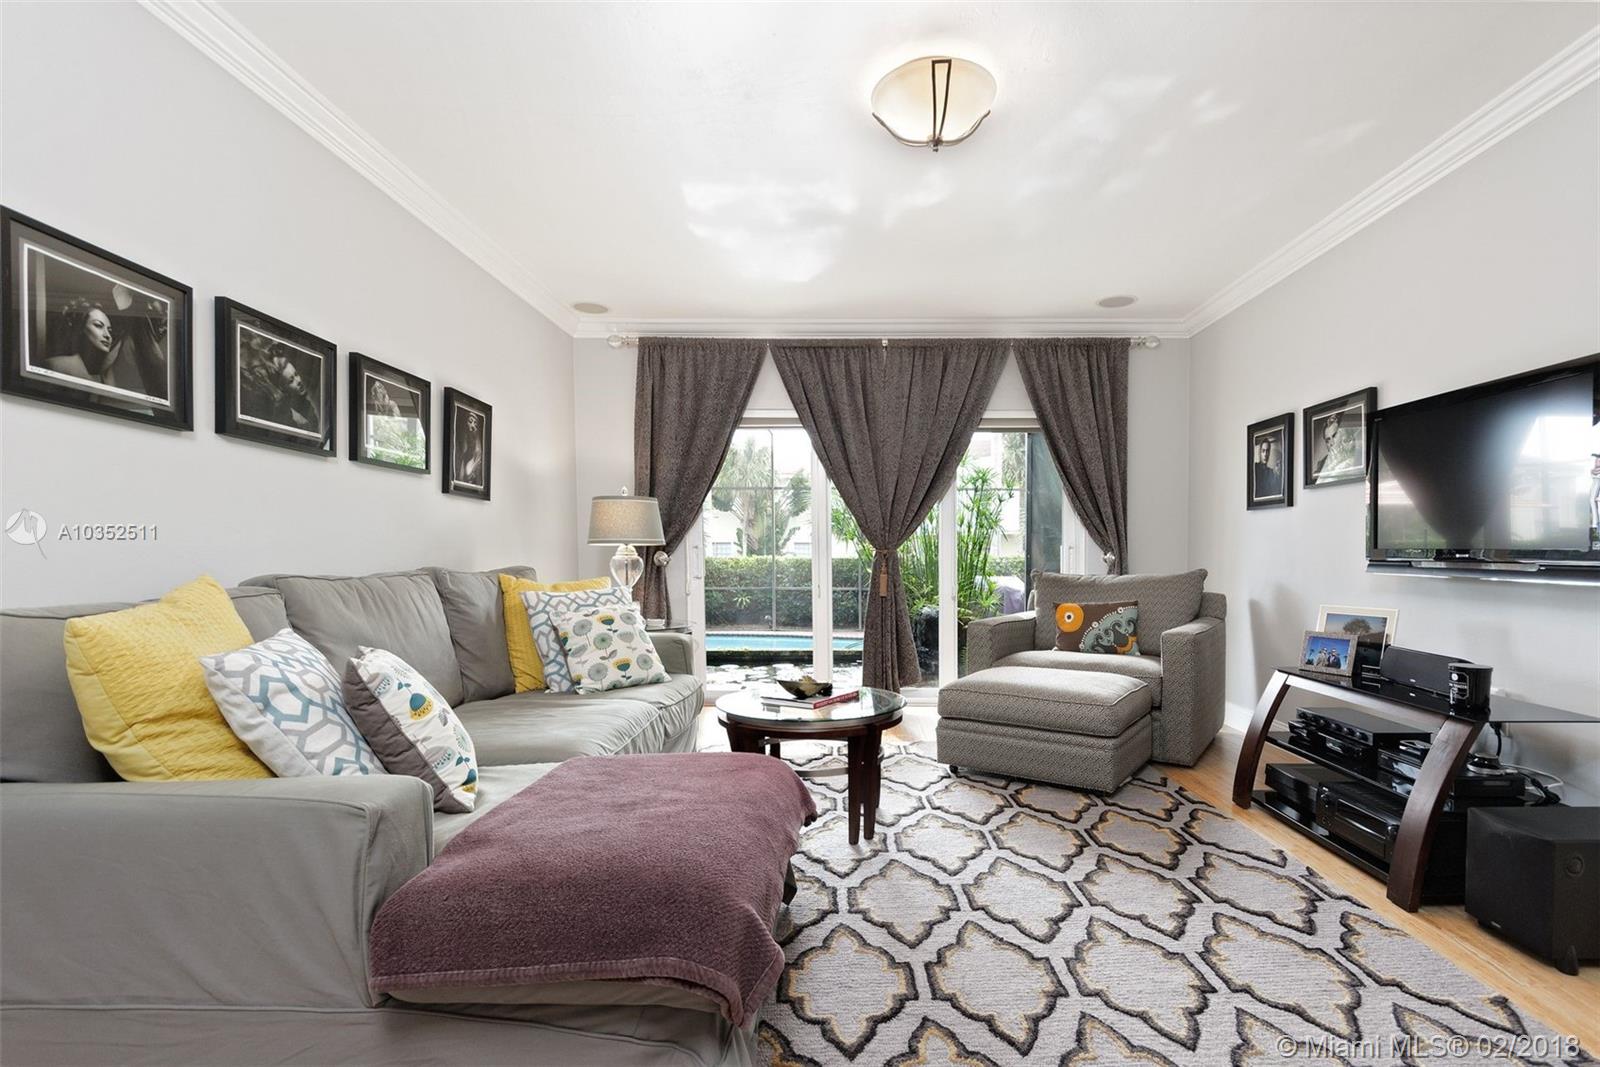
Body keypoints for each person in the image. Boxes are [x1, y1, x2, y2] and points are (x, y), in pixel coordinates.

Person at [1314, 415, 1359, 480]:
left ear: (1345, 437)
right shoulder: (1322, 465)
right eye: (1328, 440)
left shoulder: (1358, 458)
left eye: (1335, 436)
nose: (1331, 443)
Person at [1253, 435, 1282, 499]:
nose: (1265, 454)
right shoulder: (1254, 468)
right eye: (1263, 451)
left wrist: (1277, 475)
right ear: (1260, 452)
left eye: (1267, 451)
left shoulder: (1271, 472)